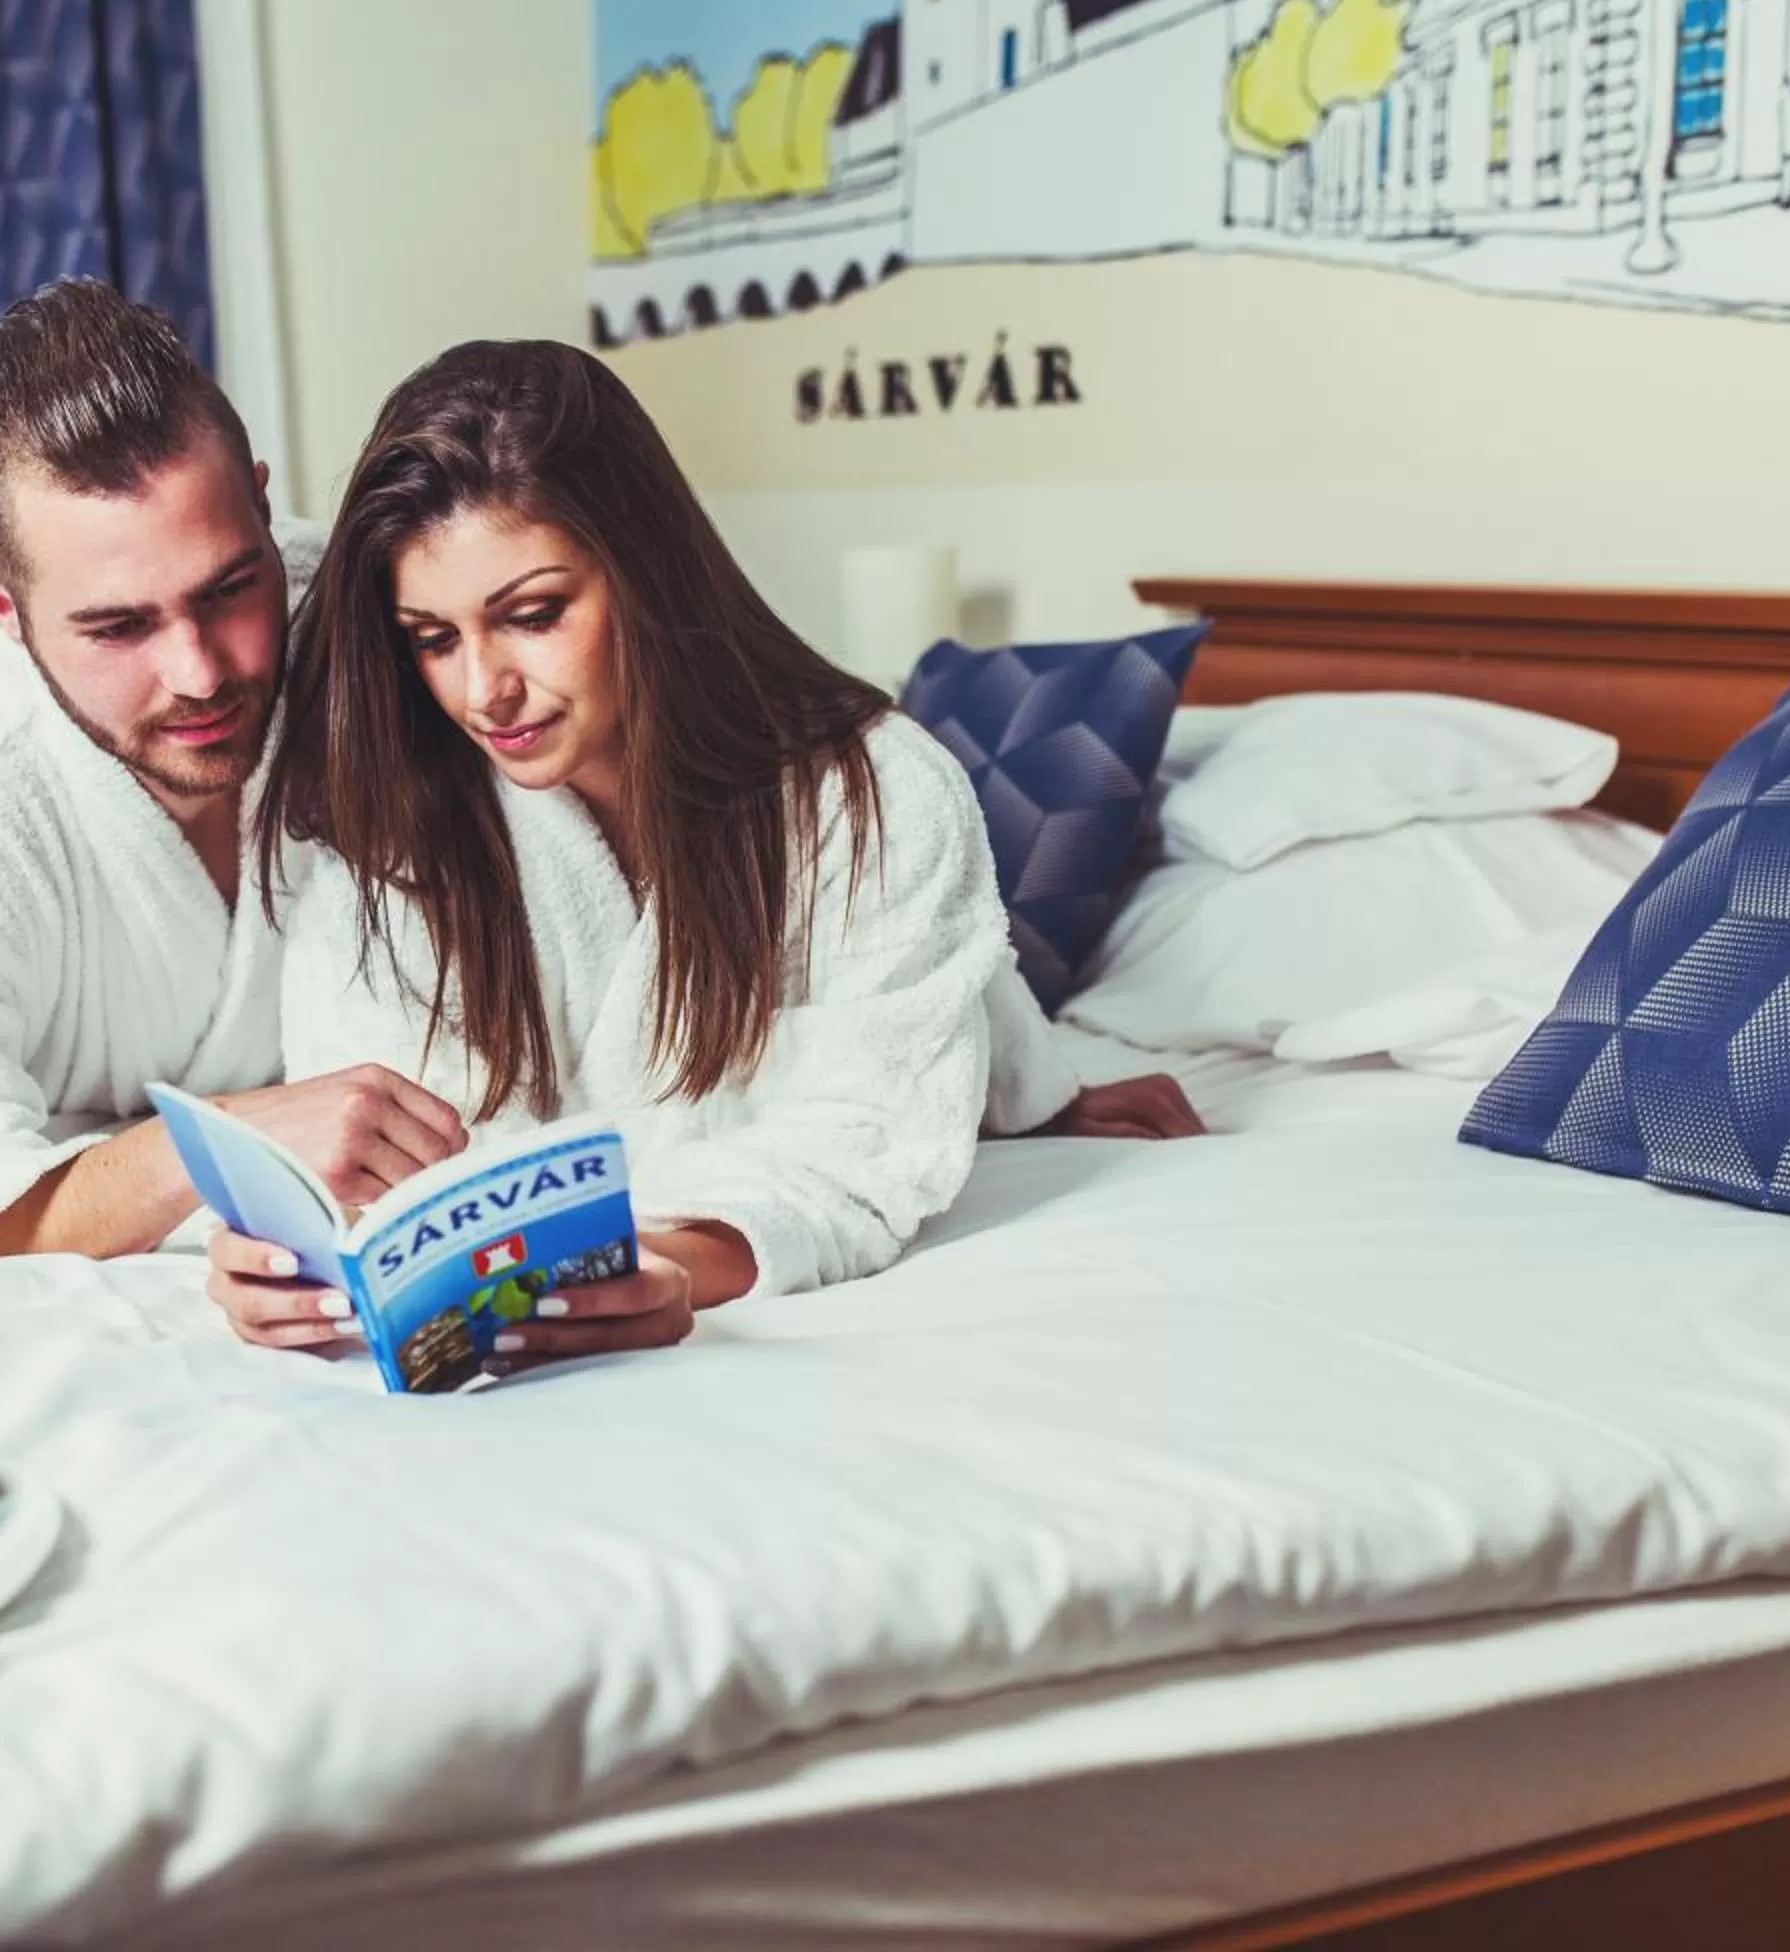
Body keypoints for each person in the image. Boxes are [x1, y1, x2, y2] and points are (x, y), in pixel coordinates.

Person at [211, 339, 1201, 1368]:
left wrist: (683, 1259)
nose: (482, 690)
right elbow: (390, 1161)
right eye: (433, 637)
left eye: (535, 614)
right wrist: (297, 1252)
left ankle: (999, 1055)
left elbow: (851, 1144)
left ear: (644, 573)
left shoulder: (877, 792)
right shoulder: (396, 816)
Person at [0, 279, 467, 1271]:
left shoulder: (378, 633)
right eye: (118, 626)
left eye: (232, 587)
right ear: (2, 611)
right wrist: (223, 1148)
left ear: (262, 500)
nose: (200, 671)